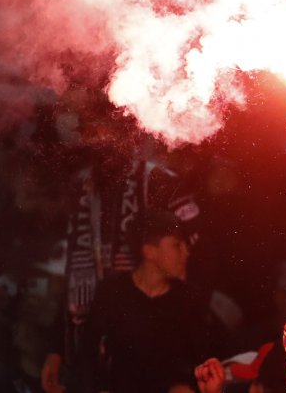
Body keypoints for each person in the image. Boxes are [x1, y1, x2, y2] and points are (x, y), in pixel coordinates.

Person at [41, 89, 201, 393]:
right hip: (90, 348)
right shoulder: (83, 186)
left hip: (152, 348)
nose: (96, 138)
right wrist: (57, 348)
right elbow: (73, 271)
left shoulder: (158, 181)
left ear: (124, 130)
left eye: (103, 128)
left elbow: (188, 259)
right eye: (91, 130)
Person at [72, 210, 221, 393]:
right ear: (149, 251)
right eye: (176, 246)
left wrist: (189, 386)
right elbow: (86, 355)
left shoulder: (189, 299)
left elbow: (205, 361)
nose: (186, 253)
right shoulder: (113, 292)